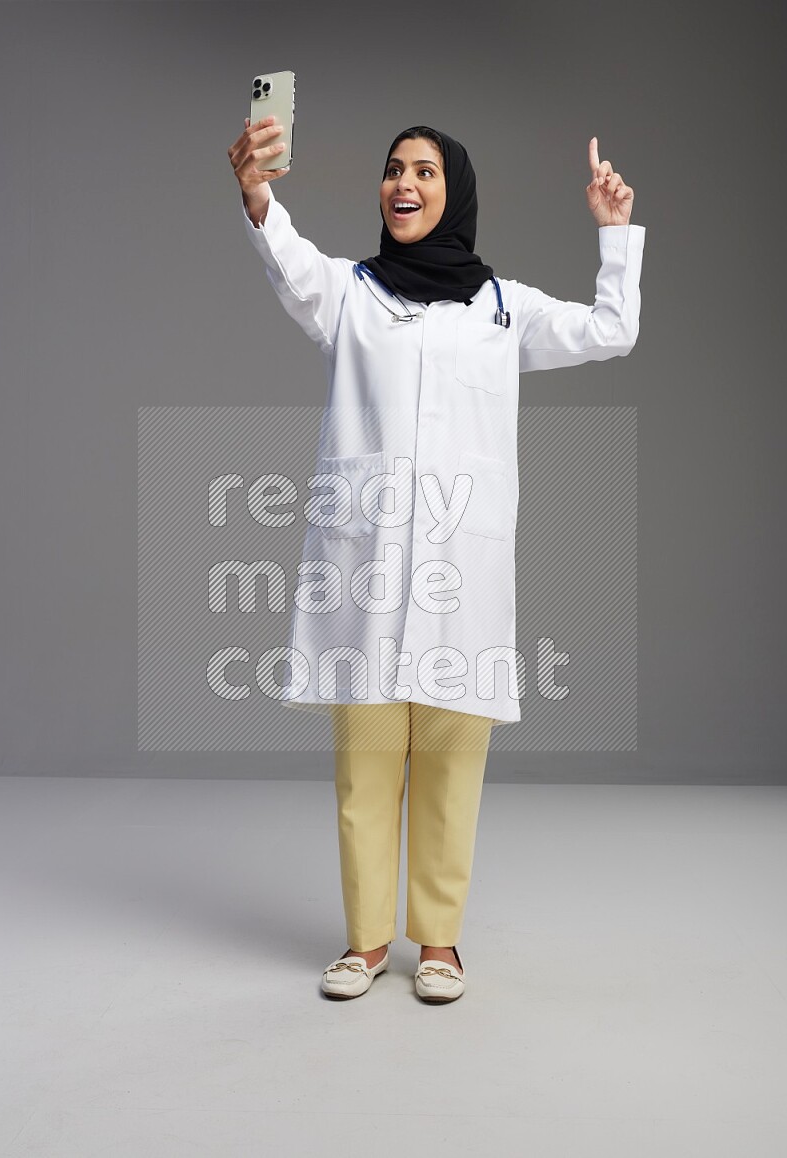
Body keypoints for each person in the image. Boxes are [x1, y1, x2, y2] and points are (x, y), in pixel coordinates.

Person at [227, 116, 645, 1002]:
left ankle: (441, 944)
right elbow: (289, 261)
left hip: (463, 574)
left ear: (453, 191)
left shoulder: (503, 309)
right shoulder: (351, 294)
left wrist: (615, 235)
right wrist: (258, 192)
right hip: (367, 571)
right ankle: (366, 942)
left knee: (453, 763)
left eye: (423, 170)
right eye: (392, 170)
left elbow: (613, 329)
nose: (403, 183)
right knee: (367, 762)